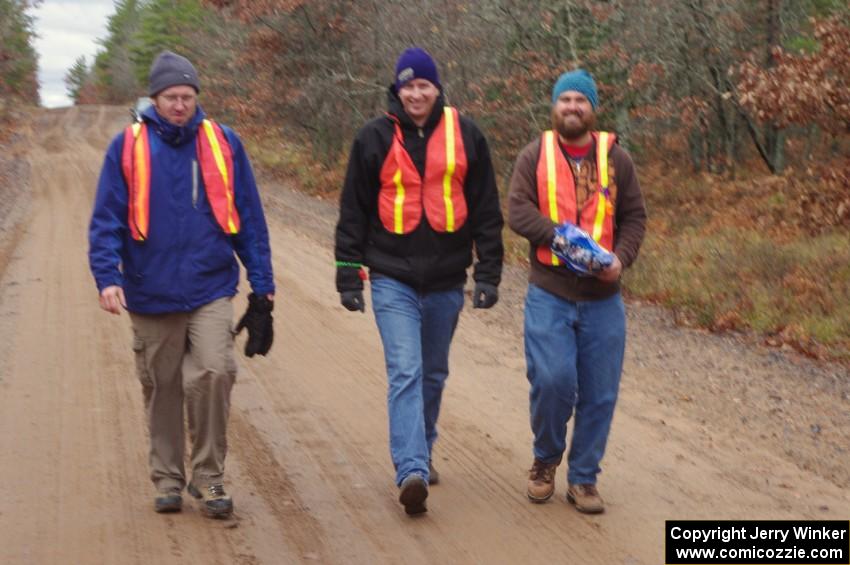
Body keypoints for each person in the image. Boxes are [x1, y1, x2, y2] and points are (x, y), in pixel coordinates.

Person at [88, 51, 275, 518]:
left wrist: (263, 285)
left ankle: (209, 477)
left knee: (214, 371)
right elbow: (106, 219)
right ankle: (167, 478)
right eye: (171, 97)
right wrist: (107, 276)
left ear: (197, 98)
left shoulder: (224, 143)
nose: (179, 105)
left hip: (210, 284)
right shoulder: (127, 146)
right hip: (150, 290)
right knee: (163, 384)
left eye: (187, 97)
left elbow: (249, 218)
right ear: (155, 98)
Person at [334, 47, 504, 515]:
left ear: (437, 88)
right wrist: (349, 276)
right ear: (397, 89)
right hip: (392, 276)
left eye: (423, 85)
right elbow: (353, 211)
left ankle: (422, 449)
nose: (415, 93)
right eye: (407, 86)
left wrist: (488, 271)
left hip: (448, 279)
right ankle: (410, 469)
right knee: (406, 371)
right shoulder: (372, 137)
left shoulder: (467, 135)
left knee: (433, 373)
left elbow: (487, 209)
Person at [507, 69, 646, 514]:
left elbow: (635, 218)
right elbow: (517, 210)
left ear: (593, 108)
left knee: (600, 392)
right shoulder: (535, 154)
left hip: (604, 299)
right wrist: (561, 239)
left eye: (580, 100)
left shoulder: (616, 159)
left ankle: (584, 478)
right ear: (554, 106)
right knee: (552, 381)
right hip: (550, 291)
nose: (572, 107)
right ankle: (546, 460)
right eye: (565, 99)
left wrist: (620, 259)